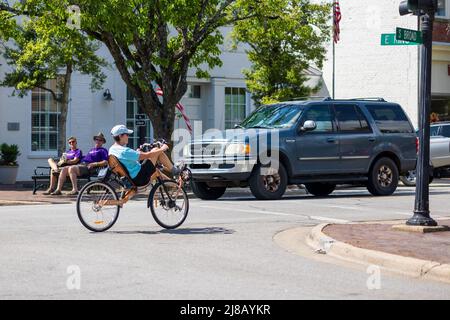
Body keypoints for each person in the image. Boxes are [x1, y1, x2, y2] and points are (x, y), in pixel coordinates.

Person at [108, 124, 182, 187]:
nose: (128, 136)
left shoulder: (112, 149)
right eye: (127, 134)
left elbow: (127, 158)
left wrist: (136, 152)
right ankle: (174, 170)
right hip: (139, 177)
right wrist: (163, 148)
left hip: (131, 177)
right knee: (157, 150)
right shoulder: (124, 151)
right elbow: (148, 155)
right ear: (120, 136)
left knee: (156, 168)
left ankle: (174, 184)